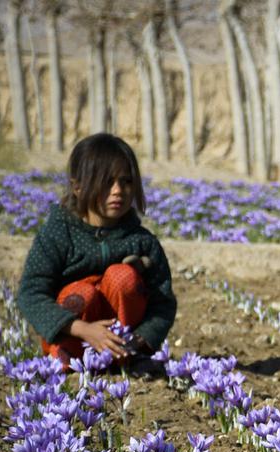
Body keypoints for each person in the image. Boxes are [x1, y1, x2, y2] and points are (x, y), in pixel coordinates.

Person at [17, 133, 177, 370]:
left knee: (122, 277)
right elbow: (31, 293)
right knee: (82, 293)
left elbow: (163, 303)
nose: (118, 191)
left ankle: (122, 359)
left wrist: (140, 339)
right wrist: (84, 330)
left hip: (125, 345)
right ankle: (68, 360)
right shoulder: (59, 232)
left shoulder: (141, 241)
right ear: (78, 187)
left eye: (126, 181)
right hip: (72, 336)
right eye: (106, 181)